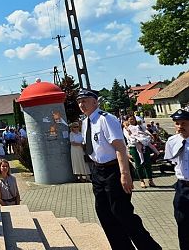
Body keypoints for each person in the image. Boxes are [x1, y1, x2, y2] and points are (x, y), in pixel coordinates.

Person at [78, 89, 161, 250]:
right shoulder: (86, 122)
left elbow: (119, 147)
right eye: (79, 101)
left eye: (85, 100)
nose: (81, 104)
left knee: (122, 213)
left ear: (95, 102)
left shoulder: (106, 119)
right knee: (104, 214)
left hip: (113, 170)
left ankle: (150, 247)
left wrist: (125, 174)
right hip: (98, 171)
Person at [163, 109, 189, 250]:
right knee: (182, 222)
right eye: (177, 123)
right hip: (182, 187)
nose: (180, 126)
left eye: (184, 123)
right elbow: (171, 161)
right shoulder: (172, 141)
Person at [123, 115, 156, 188]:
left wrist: (150, 135)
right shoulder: (126, 129)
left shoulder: (140, 126)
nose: (132, 121)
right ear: (127, 120)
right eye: (130, 119)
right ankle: (142, 181)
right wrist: (137, 139)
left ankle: (150, 180)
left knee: (147, 163)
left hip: (144, 146)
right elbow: (128, 137)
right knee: (139, 164)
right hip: (134, 147)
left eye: (133, 119)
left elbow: (146, 131)